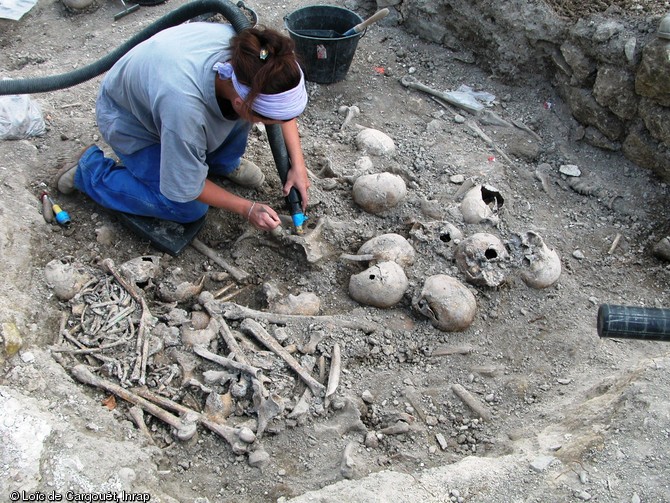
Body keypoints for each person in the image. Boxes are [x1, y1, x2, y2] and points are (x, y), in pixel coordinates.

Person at [54, 21, 310, 232]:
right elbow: (188, 188)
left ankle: (221, 164)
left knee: (246, 118)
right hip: (129, 119)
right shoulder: (185, 111)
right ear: (240, 101)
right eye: (270, 119)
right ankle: (89, 171)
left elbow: (282, 109)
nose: (278, 124)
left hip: (159, 90)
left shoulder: (254, 57)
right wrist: (247, 208)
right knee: (186, 207)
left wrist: (297, 165)